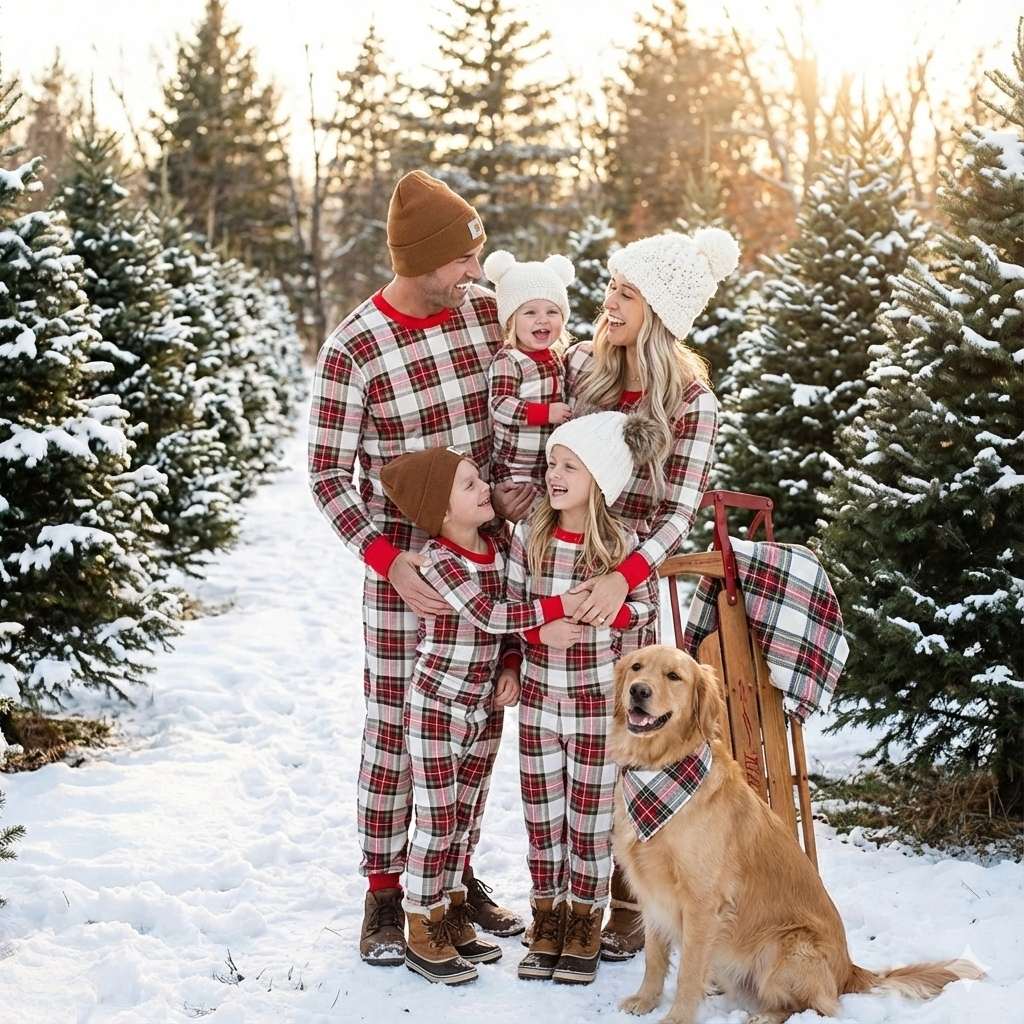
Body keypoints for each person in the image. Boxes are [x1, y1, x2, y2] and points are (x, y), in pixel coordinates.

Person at [308, 170, 534, 967]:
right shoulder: (355, 349)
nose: (476, 273)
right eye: (463, 260)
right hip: (407, 577)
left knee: (477, 720)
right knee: (398, 729)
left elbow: (535, 373)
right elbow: (329, 475)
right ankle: (382, 893)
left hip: (488, 566)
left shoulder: (480, 316)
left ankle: (449, 876)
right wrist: (387, 558)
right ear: (422, 259)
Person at [563, 226, 739, 961]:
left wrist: (624, 576)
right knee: (570, 739)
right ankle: (565, 896)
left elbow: (677, 515)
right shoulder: (581, 367)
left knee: (632, 739)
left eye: (628, 293)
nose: (610, 302)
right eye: (612, 286)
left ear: (660, 312)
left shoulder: (691, 402)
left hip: (631, 585)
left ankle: (626, 894)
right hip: (567, 567)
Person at [378, 446, 588, 985]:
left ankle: (451, 914)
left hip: (483, 706)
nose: (483, 489)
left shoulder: (500, 546)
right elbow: (491, 614)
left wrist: (514, 665)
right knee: (439, 819)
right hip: (439, 707)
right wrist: (556, 612)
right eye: (469, 485)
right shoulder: (440, 559)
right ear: (442, 512)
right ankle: (422, 927)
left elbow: (511, 624)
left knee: (466, 819)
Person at [508, 411, 661, 986]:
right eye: (552, 463)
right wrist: (533, 635)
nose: (554, 475)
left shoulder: (623, 545)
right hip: (541, 707)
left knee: (591, 824)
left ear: (600, 477)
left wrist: (613, 612)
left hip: (599, 711)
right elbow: (510, 608)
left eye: (569, 465)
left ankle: (583, 925)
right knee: (543, 821)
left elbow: (646, 613)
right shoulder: (533, 537)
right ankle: (545, 920)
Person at [484, 250, 575, 491]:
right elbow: (500, 404)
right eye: (530, 312)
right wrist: (545, 413)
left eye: (552, 312)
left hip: (547, 467)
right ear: (512, 320)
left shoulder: (556, 358)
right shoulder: (509, 360)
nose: (543, 320)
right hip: (515, 469)